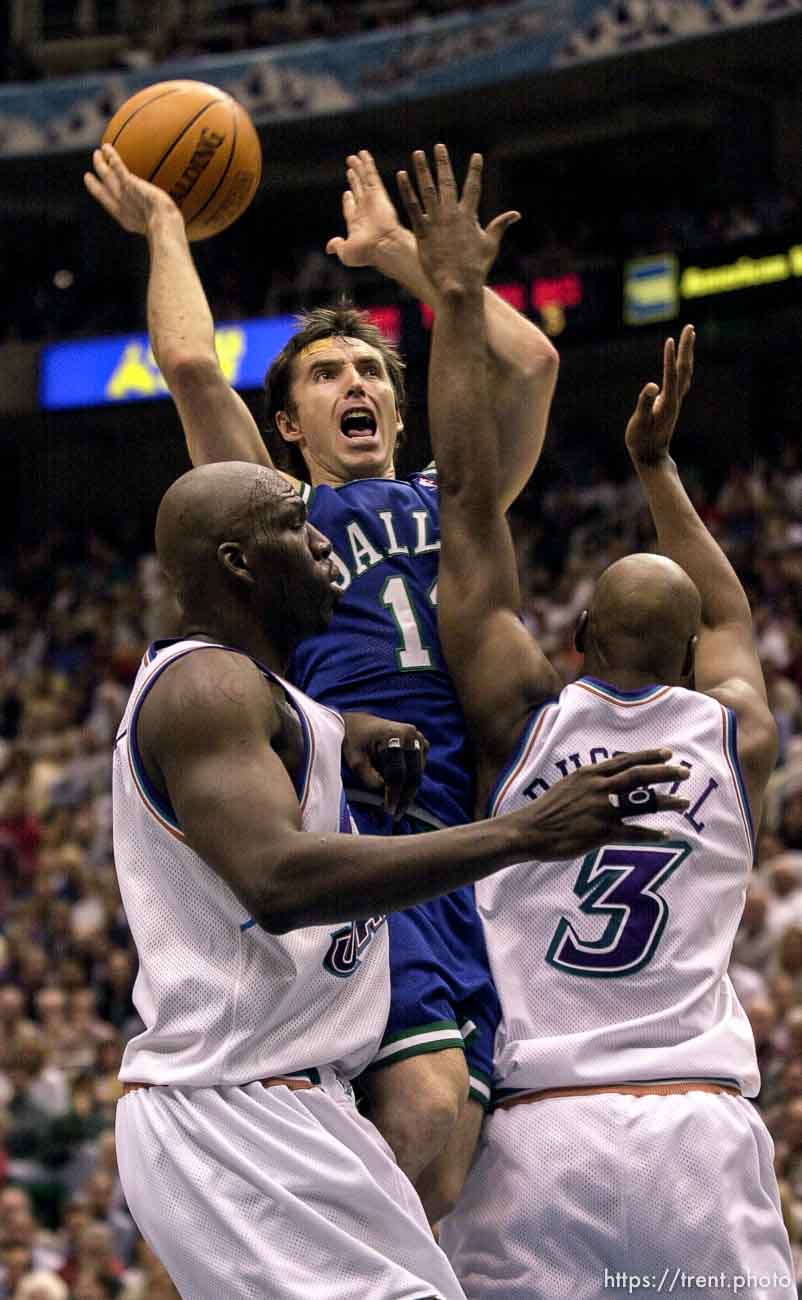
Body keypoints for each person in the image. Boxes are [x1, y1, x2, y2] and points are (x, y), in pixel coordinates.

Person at [84, 139, 559, 1199]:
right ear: (288, 424)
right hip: (345, 825)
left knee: (448, 1171)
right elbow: (195, 366)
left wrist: (410, 263)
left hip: (459, 844)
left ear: (397, 408)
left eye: (370, 374)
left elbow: (529, 365)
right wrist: (168, 228)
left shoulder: (457, 502)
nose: (355, 385)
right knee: (424, 1118)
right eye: (326, 374)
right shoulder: (275, 519)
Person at [110, 457, 686, 1299]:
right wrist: (523, 832)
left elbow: (288, 744)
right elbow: (277, 878)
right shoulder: (206, 685)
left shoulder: (265, 695)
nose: (320, 541)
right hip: (232, 1109)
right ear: (238, 564)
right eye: (293, 526)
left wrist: (353, 735)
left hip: (295, 1105)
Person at [397, 152, 795, 1295]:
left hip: (540, 1137)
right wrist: (658, 468)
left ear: (573, 641)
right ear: (694, 662)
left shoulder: (523, 715)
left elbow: (468, 508)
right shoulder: (737, 738)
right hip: (699, 1134)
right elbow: (727, 608)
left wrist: (459, 298)